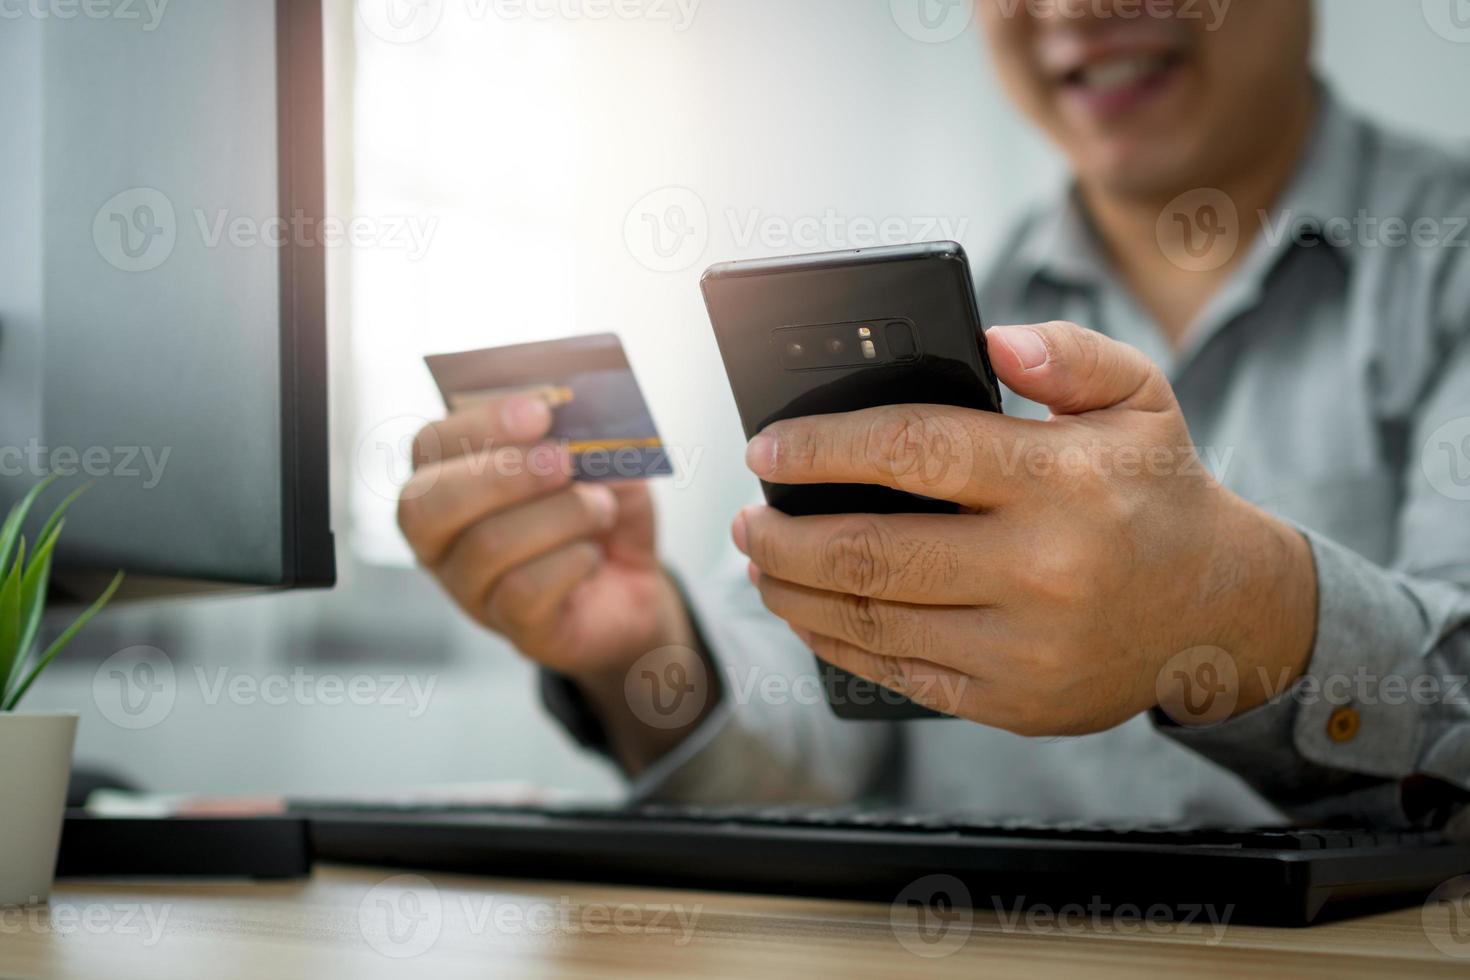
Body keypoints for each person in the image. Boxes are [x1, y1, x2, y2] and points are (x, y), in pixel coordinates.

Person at [396, 0, 1470, 827]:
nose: (1071, 8)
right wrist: (639, 648)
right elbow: (821, 737)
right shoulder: (934, 315)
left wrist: (1247, 613)